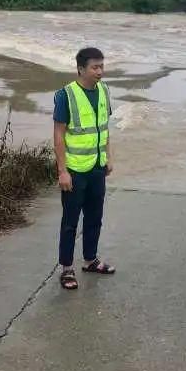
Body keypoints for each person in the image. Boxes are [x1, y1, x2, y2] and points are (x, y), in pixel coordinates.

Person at [53, 47, 116, 290]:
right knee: (70, 221)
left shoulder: (104, 90)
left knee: (94, 217)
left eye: (102, 66)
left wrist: (109, 157)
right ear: (81, 69)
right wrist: (62, 171)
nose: (100, 71)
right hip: (75, 171)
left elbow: (104, 127)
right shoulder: (66, 95)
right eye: (95, 67)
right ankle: (66, 268)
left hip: (97, 168)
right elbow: (59, 135)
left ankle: (90, 260)